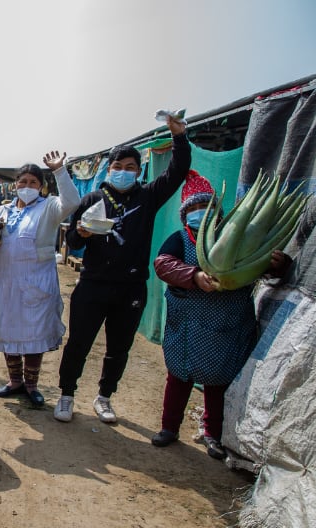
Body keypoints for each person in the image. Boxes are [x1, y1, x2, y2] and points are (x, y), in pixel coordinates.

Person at [54, 116, 190, 423]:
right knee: (79, 343)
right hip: (92, 284)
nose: (124, 172)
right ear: (109, 169)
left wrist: (179, 138)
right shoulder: (93, 198)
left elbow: (177, 171)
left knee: (119, 347)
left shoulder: (148, 196)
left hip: (130, 288)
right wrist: (83, 235)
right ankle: (66, 394)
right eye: (118, 166)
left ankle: (104, 397)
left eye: (130, 167)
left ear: (139, 172)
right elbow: (72, 238)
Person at [150, 172, 290, 459]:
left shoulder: (238, 245)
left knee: (218, 383)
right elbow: (163, 264)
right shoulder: (181, 240)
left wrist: (279, 264)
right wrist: (194, 275)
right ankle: (169, 427)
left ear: (221, 214)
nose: (200, 214)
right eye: (192, 210)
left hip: (226, 327)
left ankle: (213, 434)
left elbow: (261, 266)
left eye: (207, 209)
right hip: (187, 327)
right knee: (178, 378)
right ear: (184, 215)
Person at [0, 152, 80, 408]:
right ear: (14, 185)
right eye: (22, 181)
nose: (26, 186)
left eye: (33, 182)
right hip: (4, 280)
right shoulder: (3, 209)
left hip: (35, 282)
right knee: (6, 329)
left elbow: (72, 202)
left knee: (34, 331)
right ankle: (14, 381)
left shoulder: (49, 207)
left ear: (42, 186)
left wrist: (59, 171)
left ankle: (31, 385)